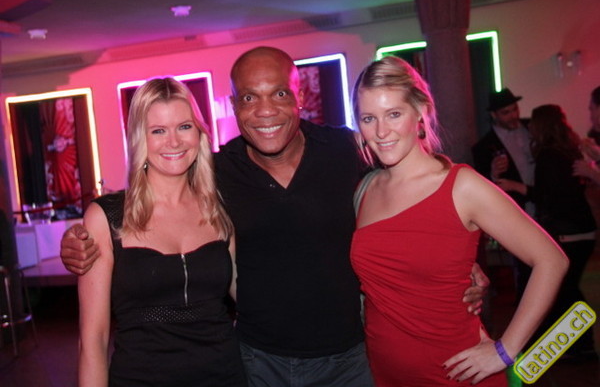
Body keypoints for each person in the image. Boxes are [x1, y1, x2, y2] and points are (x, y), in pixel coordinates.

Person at [62, 46, 488, 387]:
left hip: (348, 358)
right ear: (234, 106)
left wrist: (453, 260)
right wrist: (78, 244)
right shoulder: (219, 176)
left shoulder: (346, 151)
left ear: (300, 96)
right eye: (250, 97)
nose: (265, 110)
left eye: (279, 94)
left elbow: (404, 198)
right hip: (257, 363)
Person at [350, 56, 568, 386]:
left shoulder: (461, 186)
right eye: (369, 118)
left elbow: (551, 260)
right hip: (384, 372)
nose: (381, 132)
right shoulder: (365, 189)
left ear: (420, 112)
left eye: (394, 114)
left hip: (456, 372)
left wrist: (505, 350)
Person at [77, 78, 246, 387]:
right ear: (139, 138)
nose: (174, 142)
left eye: (184, 127)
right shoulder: (106, 218)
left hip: (224, 376)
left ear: (199, 132)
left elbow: (251, 300)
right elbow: (94, 340)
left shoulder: (219, 209)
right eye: (158, 131)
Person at [527, 104, 597, 362]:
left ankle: (579, 346)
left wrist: (517, 187)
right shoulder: (568, 150)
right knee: (568, 290)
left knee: (564, 292)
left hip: (567, 232)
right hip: (584, 230)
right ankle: (579, 346)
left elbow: (547, 196)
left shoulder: (548, 155)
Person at [472, 88, 536, 300]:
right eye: (506, 112)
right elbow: (481, 187)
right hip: (518, 211)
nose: (513, 115)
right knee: (526, 268)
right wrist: (493, 174)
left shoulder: (532, 128)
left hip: (544, 205)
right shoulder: (483, 147)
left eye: (515, 109)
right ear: (494, 115)